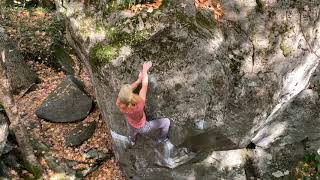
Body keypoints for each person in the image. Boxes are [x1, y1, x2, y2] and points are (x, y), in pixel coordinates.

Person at [116, 61, 171, 146]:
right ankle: (162, 138)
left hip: (131, 124)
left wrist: (138, 81)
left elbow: (127, 92)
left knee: (132, 132)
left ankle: (132, 140)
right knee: (166, 122)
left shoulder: (119, 103)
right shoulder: (139, 104)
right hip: (143, 127)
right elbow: (144, 85)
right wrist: (145, 70)